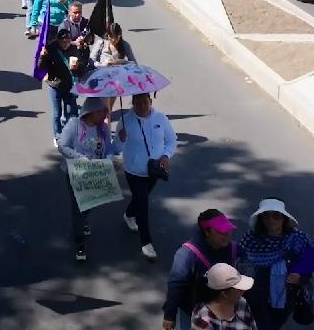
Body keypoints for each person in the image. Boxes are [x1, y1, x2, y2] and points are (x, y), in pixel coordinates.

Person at [57, 96, 120, 261]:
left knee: (92, 203)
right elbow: (62, 146)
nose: (103, 115)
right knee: (77, 208)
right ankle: (79, 243)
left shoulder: (104, 129)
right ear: (90, 112)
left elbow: (109, 148)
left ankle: (84, 219)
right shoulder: (74, 125)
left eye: (104, 112)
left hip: (95, 173)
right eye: (100, 112)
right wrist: (80, 158)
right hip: (75, 173)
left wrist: (113, 155)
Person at [237, 199, 312, 330]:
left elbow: (309, 265)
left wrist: (300, 278)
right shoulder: (250, 238)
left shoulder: (297, 239)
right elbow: (238, 265)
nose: (271, 220)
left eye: (276, 216)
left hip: (284, 299)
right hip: (255, 299)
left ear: (284, 219)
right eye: (266, 216)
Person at [117, 91, 176, 261]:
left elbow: (171, 141)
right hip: (133, 170)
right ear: (132, 104)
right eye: (137, 103)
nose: (142, 106)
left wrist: (166, 155)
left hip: (153, 169)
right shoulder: (125, 120)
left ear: (150, 101)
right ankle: (146, 242)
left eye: (145, 102)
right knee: (143, 203)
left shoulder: (161, 118)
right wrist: (120, 139)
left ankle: (128, 215)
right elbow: (116, 147)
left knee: (139, 200)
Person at [163, 210, 241, 330]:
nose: (227, 234)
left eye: (228, 230)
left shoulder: (236, 250)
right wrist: (169, 316)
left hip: (225, 311)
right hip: (193, 313)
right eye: (221, 231)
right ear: (207, 232)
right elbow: (176, 284)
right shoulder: (187, 254)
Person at [37, 28, 83, 141]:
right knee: (57, 113)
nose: (65, 43)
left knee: (69, 112)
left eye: (67, 40)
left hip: (69, 85)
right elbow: (41, 66)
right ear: (58, 40)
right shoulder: (51, 49)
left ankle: (68, 135)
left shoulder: (74, 49)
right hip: (54, 84)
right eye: (63, 41)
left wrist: (77, 66)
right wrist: (43, 56)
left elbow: (81, 66)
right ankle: (57, 136)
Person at [192, 264, 259, 330]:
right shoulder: (203, 319)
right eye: (239, 289)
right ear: (224, 294)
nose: (243, 291)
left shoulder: (242, 304)